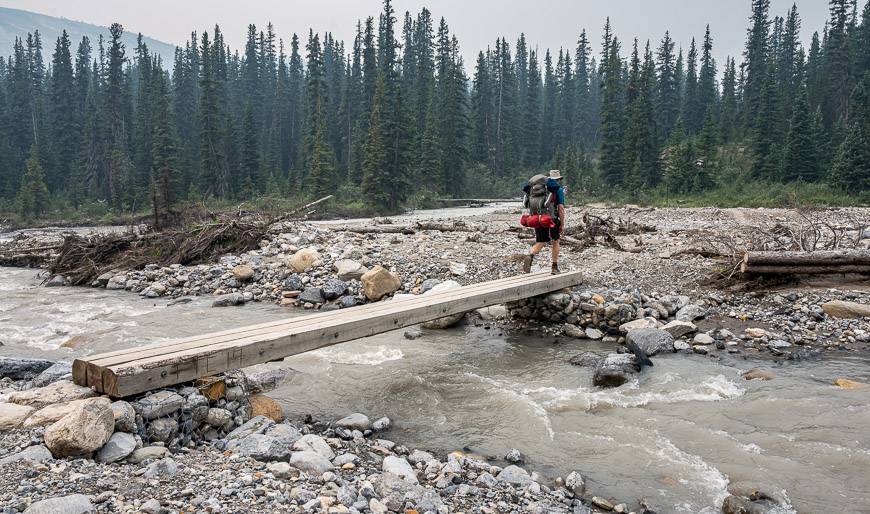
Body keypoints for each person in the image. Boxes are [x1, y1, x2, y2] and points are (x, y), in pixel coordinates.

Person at [522, 170, 566, 274]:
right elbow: (561, 208)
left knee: (541, 241)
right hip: (552, 219)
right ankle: (554, 268)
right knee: (555, 241)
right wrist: (562, 224)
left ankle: (530, 255)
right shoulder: (558, 190)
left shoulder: (538, 188)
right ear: (558, 179)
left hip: (538, 218)